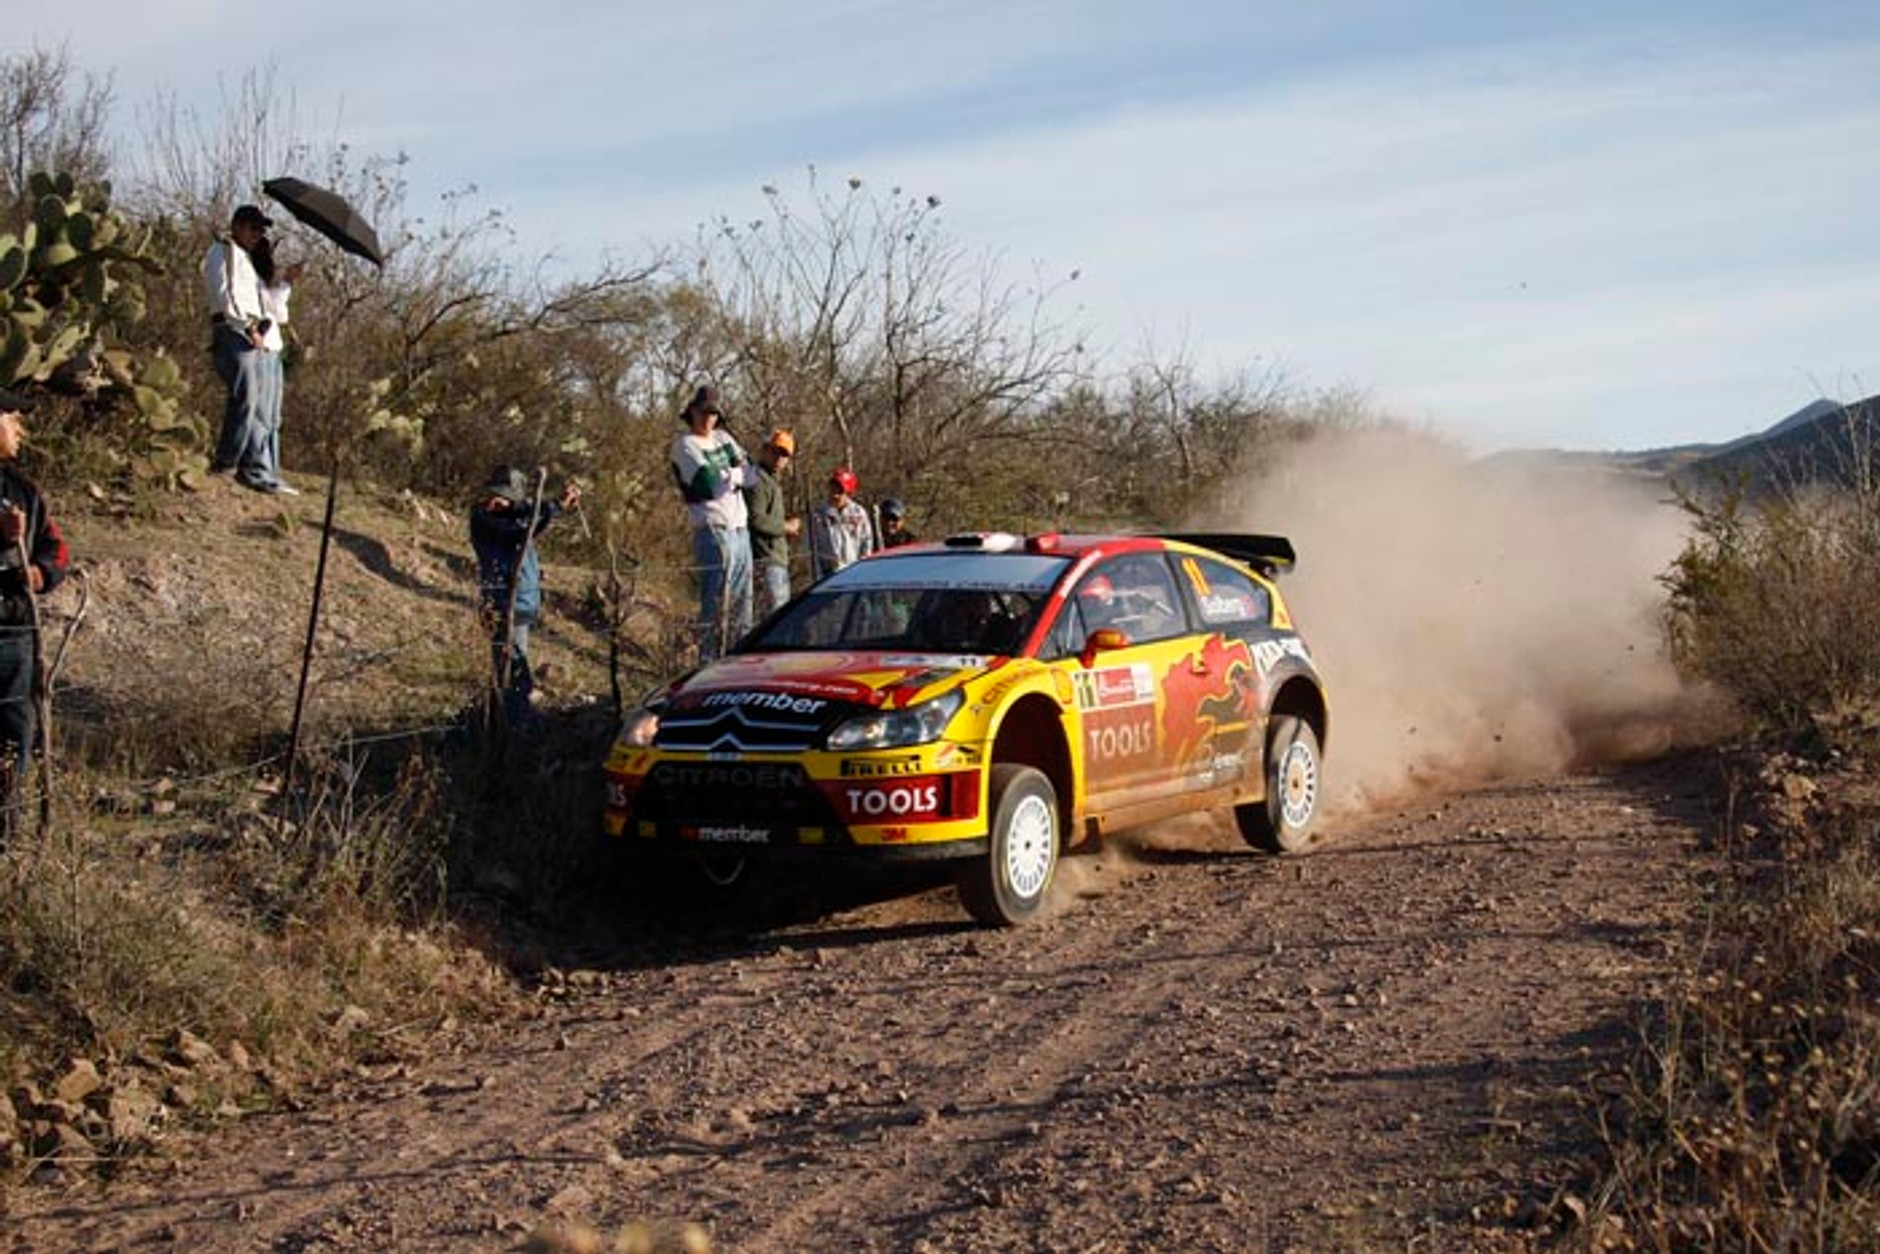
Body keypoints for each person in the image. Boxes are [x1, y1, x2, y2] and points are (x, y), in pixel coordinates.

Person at [0, 390, 70, 835]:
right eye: (11, 419)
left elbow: (56, 550)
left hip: (13, 636)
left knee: (11, 742)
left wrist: (39, 574)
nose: (20, 429)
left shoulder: (23, 491)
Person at [470, 465, 580, 725]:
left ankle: (503, 720)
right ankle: (515, 724)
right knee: (513, 669)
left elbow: (529, 517)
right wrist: (554, 507)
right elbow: (521, 524)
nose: (498, 500)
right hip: (502, 603)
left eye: (506, 496)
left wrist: (558, 506)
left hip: (520, 603)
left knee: (510, 664)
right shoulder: (484, 518)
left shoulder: (516, 515)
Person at [201, 204, 291, 494]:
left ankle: (234, 462)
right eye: (253, 228)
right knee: (246, 397)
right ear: (237, 226)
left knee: (251, 400)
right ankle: (226, 461)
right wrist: (248, 326)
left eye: (260, 230)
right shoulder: (222, 251)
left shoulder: (247, 260)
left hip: (249, 335)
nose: (257, 235)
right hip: (233, 331)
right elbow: (224, 295)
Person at [670, 385, 756, 660]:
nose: (709, 418)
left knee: (744, 604)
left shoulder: (723, 438)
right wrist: (734, 475)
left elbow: (751, 473)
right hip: (712, 529)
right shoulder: (685, 445)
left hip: (740, 528)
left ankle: (739, 659)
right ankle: (708, 660)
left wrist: (733, 475)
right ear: (693, 412)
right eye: (704, 412)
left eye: (714, 413)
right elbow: (707, 482)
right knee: (714, 602)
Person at [249, 236, 304, 496]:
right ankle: (258, 470)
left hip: (273, 348)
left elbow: (279, 314)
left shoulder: (264, 282)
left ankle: (270, 469)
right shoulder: (250, 278)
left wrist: (286, 282)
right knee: (262, 414)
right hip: (262, 350)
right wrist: (286, 283)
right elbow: (272, 308)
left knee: (273, 416)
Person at [744, 428, 800, 618]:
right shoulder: (758, 480)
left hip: (775, 560)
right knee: (773, 621)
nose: (779, 458)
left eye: (784, 455)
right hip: (766, 561)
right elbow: (756, 519)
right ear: (765, 450)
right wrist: (786, 527)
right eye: (775, 451)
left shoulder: (770, 481)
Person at [808, 466, 874, 579]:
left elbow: (866, 542)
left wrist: (863, 570)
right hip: (827, 574)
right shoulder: (818, 514)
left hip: (854, 571)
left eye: (839, 490)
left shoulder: (859, 513)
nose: (835, 494)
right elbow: (811, 547)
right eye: (832, 488)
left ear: (849, 491)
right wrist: (817, 576)